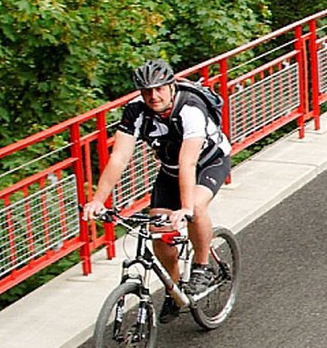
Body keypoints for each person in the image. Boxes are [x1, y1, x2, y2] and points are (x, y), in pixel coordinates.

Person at [85, 58, 233, 298]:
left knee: (195, 206)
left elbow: (189, 162)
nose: (153, 96)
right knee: (159, 236)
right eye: (146, 91)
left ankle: (202, 266)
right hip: (170, 170)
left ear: (171, 86)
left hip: (209, 163)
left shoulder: (190, 109)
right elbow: (119, 158)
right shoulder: (135, 111)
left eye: (159, 89)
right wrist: (98, 200)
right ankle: (174, 293)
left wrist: (185, 208)